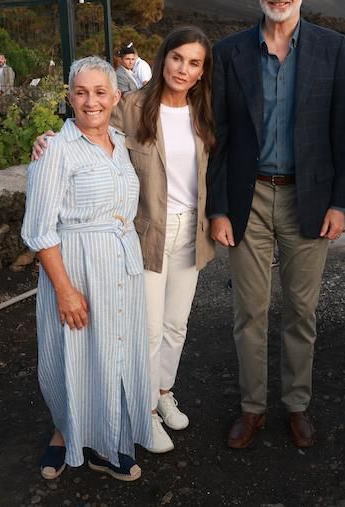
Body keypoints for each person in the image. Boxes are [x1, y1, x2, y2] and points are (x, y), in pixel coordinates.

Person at [33, 27, 217, 455]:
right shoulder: (131, 107)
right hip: (145, 234)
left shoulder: (203, 112)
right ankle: (144, 413)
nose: (183, 69)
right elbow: (86, 125)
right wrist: (46, 139)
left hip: (192, 230)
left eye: (194, 63)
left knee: (176, 324)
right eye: (176, 58)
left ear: (202, 71)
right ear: (163, 58)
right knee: (148, 330)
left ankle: (163, 393)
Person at [207, 0, 345, 450]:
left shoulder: (332, 49)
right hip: (248, 200)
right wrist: (219, 207)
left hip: (308, 202)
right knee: (249, 311)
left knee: (301, 311)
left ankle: (296, 404)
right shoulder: (229, 52)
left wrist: (340, 202)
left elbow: (341, 132)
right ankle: (253, 408)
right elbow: (219, 136)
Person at [22, 56, 153, 483]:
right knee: (72, 354)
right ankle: (67, 433)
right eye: (81, 92)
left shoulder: (120, 141)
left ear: (116, 97)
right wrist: (65, 289)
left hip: (120, 265)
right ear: (69, 97)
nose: (91, 101)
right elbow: (40, 231)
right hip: (76, 267)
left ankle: (107, 441)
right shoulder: (55, 149)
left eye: (100, 92)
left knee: (114, 351)